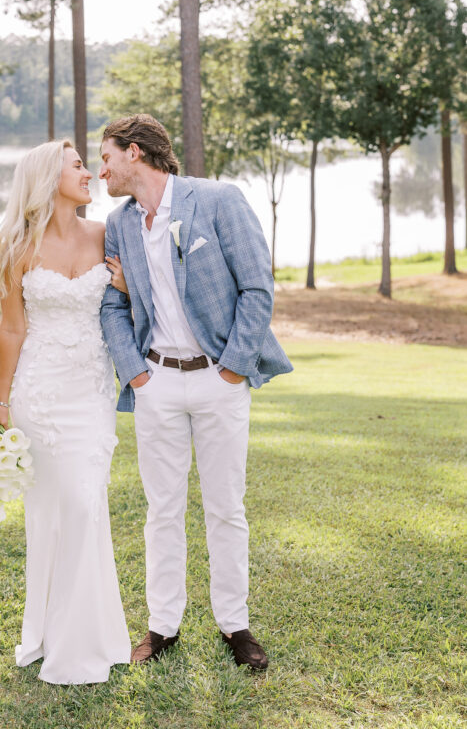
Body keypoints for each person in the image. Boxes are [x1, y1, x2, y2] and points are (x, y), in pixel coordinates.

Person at [99, 114, 293, 670]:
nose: (102, 169)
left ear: (134, 153)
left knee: (225, 507)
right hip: (155, 382)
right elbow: (114, 304)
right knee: (161, 510)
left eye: (107, 156)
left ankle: (235, 625)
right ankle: (163, 627)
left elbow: (257, 285)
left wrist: (233, 366)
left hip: (218, 379)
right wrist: (135, 371)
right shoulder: (119, 223)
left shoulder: (218, 201)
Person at [0, 140, 131, 685]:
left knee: (85, 505)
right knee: (53, 515)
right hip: (40, 397)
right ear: (49, 178)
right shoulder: (17, 245)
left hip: (92, 393)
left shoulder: (106, 235)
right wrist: (1, 402)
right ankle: (51, 638)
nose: (90, 172)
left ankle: (89, 640)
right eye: (77, 166)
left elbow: (133, 304)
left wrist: (126, 288)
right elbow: (12, 328)